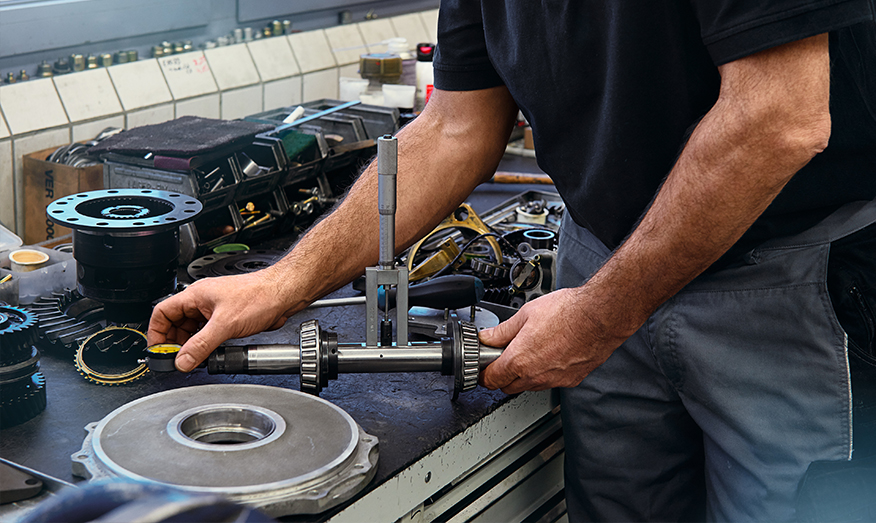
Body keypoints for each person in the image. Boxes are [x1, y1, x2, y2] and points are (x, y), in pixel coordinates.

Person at [149, 1, 876, 520]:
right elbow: (455, 127)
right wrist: (281, 283)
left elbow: (778, 118)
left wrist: (598, 316)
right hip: (601, 258)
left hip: (786, 282)